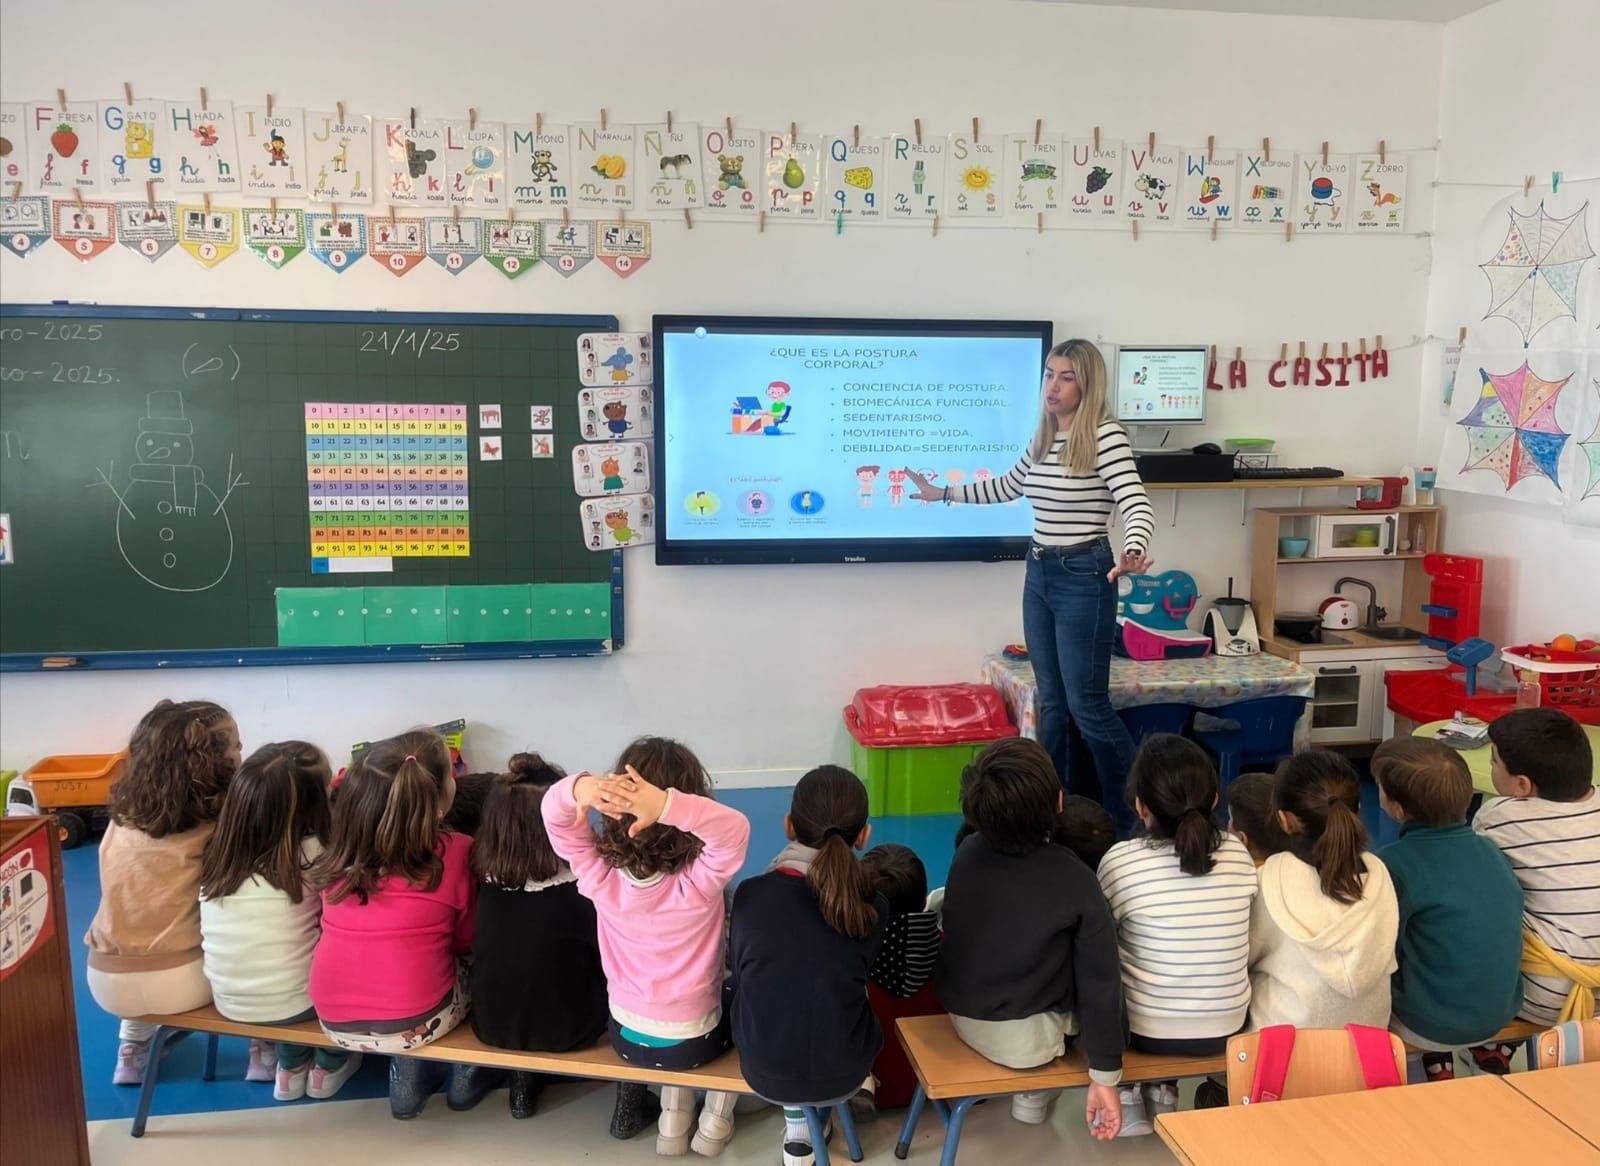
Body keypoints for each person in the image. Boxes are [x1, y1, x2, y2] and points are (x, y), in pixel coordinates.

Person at [903, 340, 1154, 835]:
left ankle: (1137, 813)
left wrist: (1135, 548)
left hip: (1086, 574)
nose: (1052, 387)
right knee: (1053, 704)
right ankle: (1054, 811)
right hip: (1039, 572)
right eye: (1049, 375)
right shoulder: (1043, 438)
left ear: (1088, 385)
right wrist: (943, 494)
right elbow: (1007, 485)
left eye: (1066, 378)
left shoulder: (1106, 437)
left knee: (1088, 706)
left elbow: (1135, 501)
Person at [541, 737, 751, 1158]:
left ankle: (672, 1120)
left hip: (626, 1035)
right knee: (744, 995)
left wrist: (580, 788)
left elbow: (555, 815)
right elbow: (734, 830)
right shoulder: (699, 884)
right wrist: (669, 805)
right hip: (696, 1041)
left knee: (684, 1013)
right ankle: (715, 1120)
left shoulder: (599, 877)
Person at [935, 738, 1124, 1139]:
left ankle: (1033, 1091)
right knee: (1093, 958)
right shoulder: (1074, 877)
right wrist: (1105, 1077)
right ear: (1059, 804)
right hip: (1028, 1045)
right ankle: (1036, 1095)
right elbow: (1100, 981)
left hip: (961, 1018)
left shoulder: (966, 852)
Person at [464, 753, 652, 1133]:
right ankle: (629, 1103)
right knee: (630, 982)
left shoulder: (487, 883)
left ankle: (522, 1089)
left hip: (494, 1024)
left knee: (523, 976)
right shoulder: (582, 889)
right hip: (571, 1029)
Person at [307, 729, 476, 1119]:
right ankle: (465, 1071)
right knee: (485, 964)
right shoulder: (457, 852)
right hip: (417, 1020)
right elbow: (468, 941)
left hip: (332, 1021)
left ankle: (407, 1079)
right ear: (438, 802)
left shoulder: (335, 854)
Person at [1097, 735, 1257, 1132]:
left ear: (1140, 805)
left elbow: (1102, 947)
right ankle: (1162, 1090)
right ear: (1216, 800)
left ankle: (1141, 1089)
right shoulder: (1238, 853)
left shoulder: (1119, 862)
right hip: (1227, 1027)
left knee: (1121, 952)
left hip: (1145, 1031)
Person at [731, 766, 886, 1166]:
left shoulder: (751, 896)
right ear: (864, 836)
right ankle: (841, 1099)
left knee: (770, 988)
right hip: (845, 1068)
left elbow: (745, 971)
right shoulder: (874, 903)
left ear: (788, 826)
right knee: (840, 986)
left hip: (765, 1069)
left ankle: (798, 1124)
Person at [85, 699, 241, 1086]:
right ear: (211, 764)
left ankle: (131, 1049)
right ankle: (268, 1050)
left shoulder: (122, 818)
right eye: (236, 745)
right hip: (181, 981)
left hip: (104, 980)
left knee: (141, 926)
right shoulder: (221, 822)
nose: (242, 753)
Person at [200, 740, 360, 1101]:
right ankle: (330, 1064)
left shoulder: (219, 854)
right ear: (319, 803)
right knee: (349, 940)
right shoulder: (319, 852)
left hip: (229, 1000)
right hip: (300, 1004)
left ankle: (289, 1068)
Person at [1370, 738, 1523, 1081]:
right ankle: (1467, 1056)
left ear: (1396, 809)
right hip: (1502, 1011)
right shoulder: (1490, 849)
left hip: (1430, 1024)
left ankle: (1418, 1069)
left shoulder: (1392, 864)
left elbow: (1380, 954)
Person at [1469, 709, 1599, 1071]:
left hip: (1544, 995)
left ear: (1523, 786)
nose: (1491, 767)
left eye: (1494, 761)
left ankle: (1482, 1045)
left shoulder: (1500, 817)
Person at [1249, 751, 1398, 1030]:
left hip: (1284, 1047)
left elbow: (1245, 956)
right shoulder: (1381, 877)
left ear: (1284, 820)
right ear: (1357, 810)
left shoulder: (1269, 879)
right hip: (1366, 1045)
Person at [856, 844, 943, 1117]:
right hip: (941, 1083)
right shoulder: (951, 950)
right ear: (923, 900)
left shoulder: (851, 961)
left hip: (872, 1090)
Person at [1225, 772, 1289, 866]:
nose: (1227, 824)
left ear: (1241, 839)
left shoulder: (1235, 876)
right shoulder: (1306, 870)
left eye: (1230, 818)